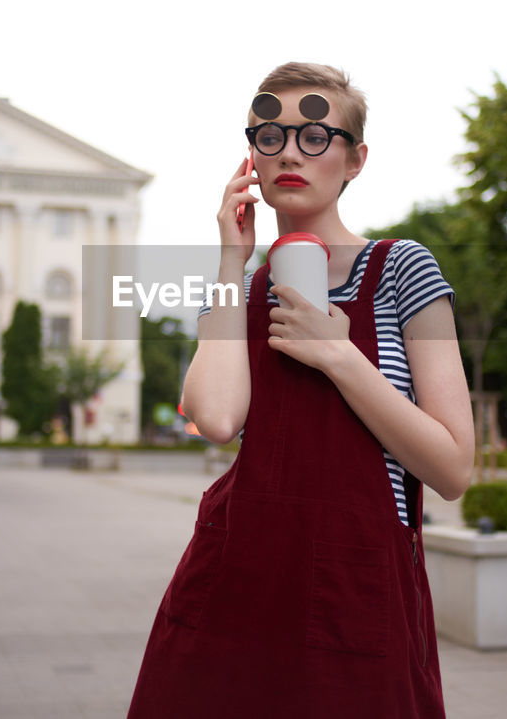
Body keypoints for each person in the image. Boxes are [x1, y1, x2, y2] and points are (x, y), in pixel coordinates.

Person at [127, 63, 474, 717]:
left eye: (316, 135)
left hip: (354, 585)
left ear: (355, 159)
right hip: (238, 580)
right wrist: (231, 259)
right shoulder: (242, 291)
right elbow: (216, 417)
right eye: (269, 135)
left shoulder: (402, 268)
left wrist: (338, 356)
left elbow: (453, 467)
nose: (289, 151)